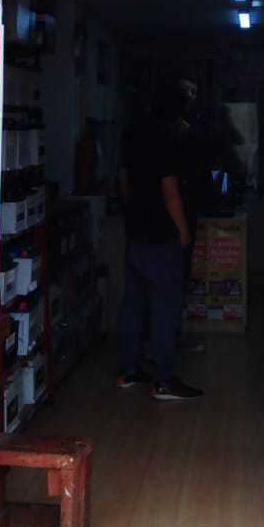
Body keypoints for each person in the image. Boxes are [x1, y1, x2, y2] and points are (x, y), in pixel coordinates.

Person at [117, 83, 204, 401]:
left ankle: (129, 371)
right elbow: (170, 192)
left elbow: (123, 179)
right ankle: (164, 380)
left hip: (135, 232)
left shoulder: (132, 132)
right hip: (160, 236)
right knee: (165, 308)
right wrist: (183, 231)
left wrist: (134, 211)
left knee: (133, 304)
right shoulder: (167, 138)